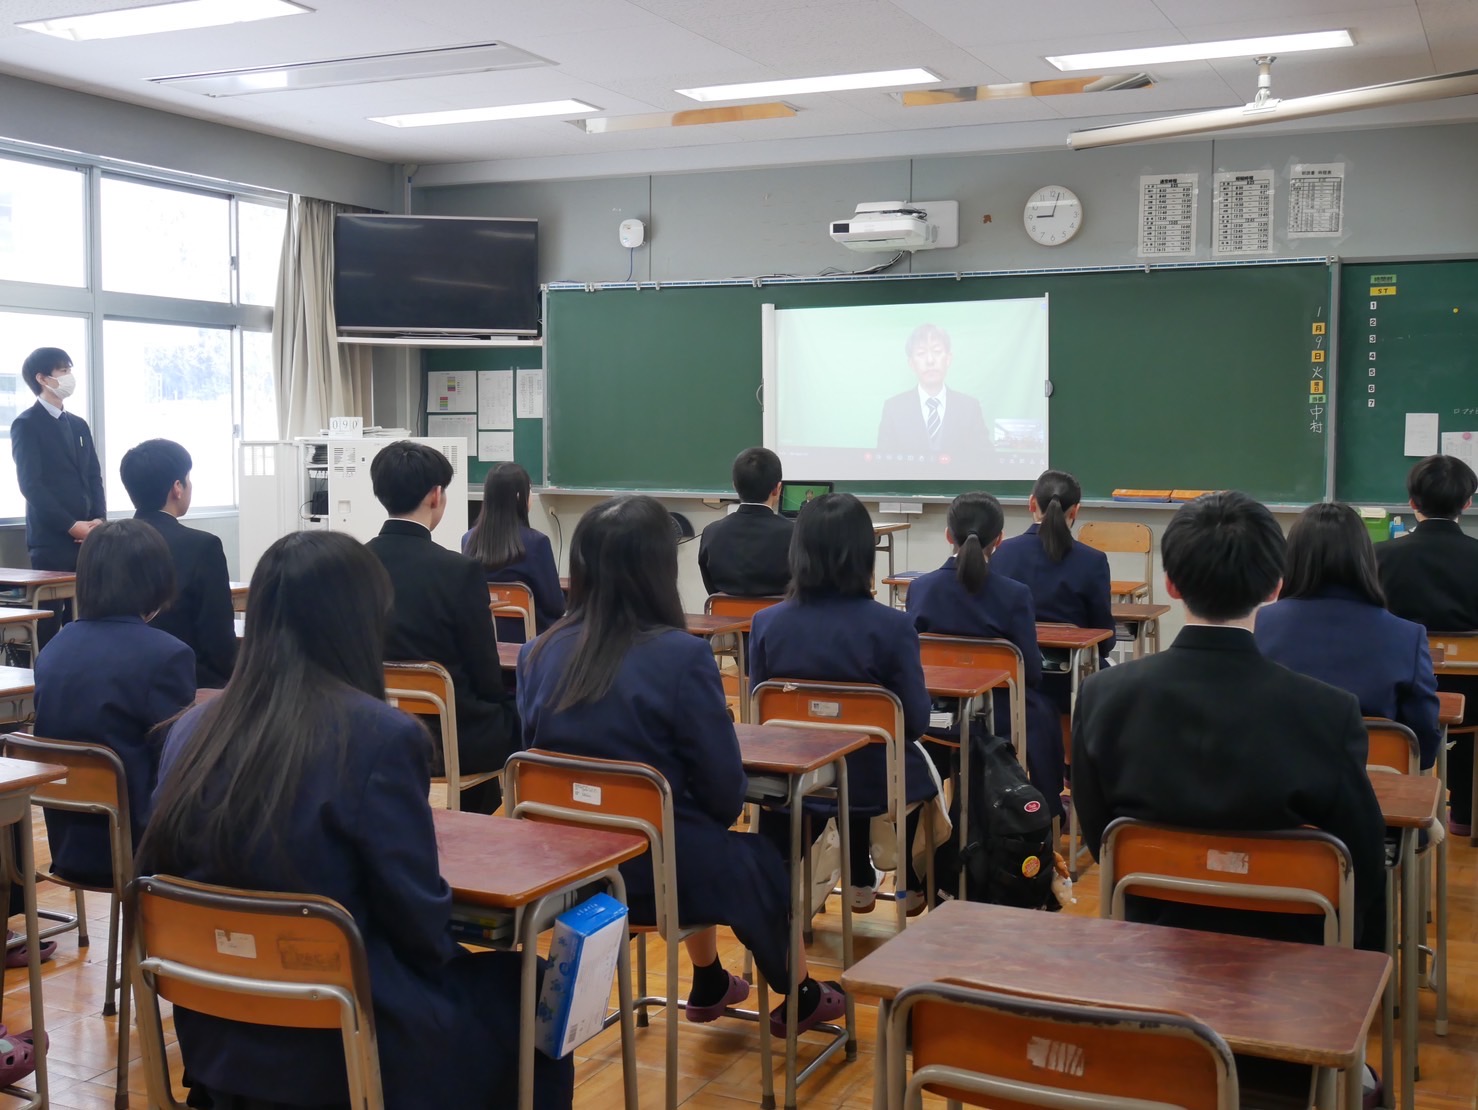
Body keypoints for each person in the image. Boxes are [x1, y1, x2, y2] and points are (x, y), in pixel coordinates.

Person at [138, 531, 572, 1110]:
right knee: (535, 987)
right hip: (349, 1043)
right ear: (362, 619)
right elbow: (418, 925)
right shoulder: (379, 736)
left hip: (219, 1035)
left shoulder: (191, 730)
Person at [517, 495, 845, 1036]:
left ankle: (710, 978)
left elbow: (536, 762)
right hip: (658, 873)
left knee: (689, 832)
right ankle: (801, 992)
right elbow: (724, 794)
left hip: (567, 870)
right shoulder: (680, 655)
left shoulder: (538, 652)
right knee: (754, 856)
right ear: (660, 569)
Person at [1072, 491, 1386, 951]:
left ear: (1171, 584)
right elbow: (1362, 860)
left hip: (1150, 940)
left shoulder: (1103, 696)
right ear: (1275, 587)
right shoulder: (1329, 711)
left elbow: (1100, 835)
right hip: (1290, 953)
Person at [748, 492, 938, 914]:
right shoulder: (892, 627)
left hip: (797, 778)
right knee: (923, 766)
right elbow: (915, 722)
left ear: (798, 551)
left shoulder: (766, 623)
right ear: (865, 554)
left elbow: (761, 715)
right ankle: (911, 884)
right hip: (876, 782)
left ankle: (847, 883)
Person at [34, 519, 195, 886]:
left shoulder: (55, 648)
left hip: (68, 843)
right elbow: (178, 765)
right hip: (140, 848)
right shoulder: (166, 655)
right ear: (156, 578)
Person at [366, 441, 515, 815]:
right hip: (450, 740)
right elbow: (486, 676)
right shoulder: (458, 571)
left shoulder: (353, 561)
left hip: (373, 727)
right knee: (516, 712)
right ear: (436, 495)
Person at [906, 492, 1065, 818]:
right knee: (1044, 711)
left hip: (936, 718)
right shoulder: (1014, 594)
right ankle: (1047, 813)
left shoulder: (920, 588)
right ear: (999, 540)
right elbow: (1030, 673)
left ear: (948, 535)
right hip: (1002, 717)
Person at [1257, 502, 1441, 769]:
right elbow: (1424, 748)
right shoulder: (1407, 636)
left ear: (1292, 558)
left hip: (1275, 783)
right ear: (1365, 558)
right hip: (1374, 787)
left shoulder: (1259, 625)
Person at [1375, 454, 1478, 834]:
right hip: (1474, 698)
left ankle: (1394, 806)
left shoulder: (1379, 557)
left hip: (1399, 696)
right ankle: (1466, 814)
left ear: (1412, 502)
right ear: (1467, 502)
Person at [992, 469, 1115, 715]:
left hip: (1012, 681)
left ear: (1031, 503)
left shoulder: (1002, 553)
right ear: (1075, 510)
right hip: (1070, 684)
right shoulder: (1092, 561)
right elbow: (1103, 639)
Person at [119, 439, 237, 688]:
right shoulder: (203, 546)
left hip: (118, 677)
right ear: (177, 488)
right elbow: (218, 638)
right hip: (185, 681)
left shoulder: (106, 542)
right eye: (188, 479)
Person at [9, 347, 105, 573]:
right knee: (55, 598)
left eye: (69, 371)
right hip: (52, 540)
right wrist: (70, 525)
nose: (69, 377)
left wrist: (99, 520)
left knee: (93, 595)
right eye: (63, 371)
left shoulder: (79, 424)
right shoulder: (26, 424)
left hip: (90, 537)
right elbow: (31, 485)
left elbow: (93, 476)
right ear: (42, 378)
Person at [462, 462, 564, 644]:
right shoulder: (537, 542)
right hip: (530, 642)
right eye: (529, 490)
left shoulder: (468, 539)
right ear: (519, 496)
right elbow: (555, 606)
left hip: (484, 640)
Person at [875, 324, 989, 461]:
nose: (930, 360)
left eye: (937, 351)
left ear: (948, 359)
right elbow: (883, 465)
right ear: (911, 363)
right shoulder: (893, 409)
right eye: (921, 353)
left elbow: (985, 461)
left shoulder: (969, 407)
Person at [697, 447, 793, 598]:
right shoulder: (795, 534)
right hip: (781, 613)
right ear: (777, 488)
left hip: (726, 613)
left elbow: (713, 590)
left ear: (735, 486)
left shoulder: (711, 533)